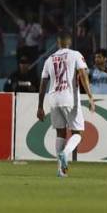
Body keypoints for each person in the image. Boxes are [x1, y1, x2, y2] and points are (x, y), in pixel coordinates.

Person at [37, 30, 97, 178]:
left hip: (53, 99)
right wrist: (90, 97)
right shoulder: (75, 54)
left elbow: (43, 82)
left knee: (60, 132)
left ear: (58, 43)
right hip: (69, 98)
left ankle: (60, 170)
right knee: (78, 133)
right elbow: (83, 74)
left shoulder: (49, 59)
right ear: (69, 42)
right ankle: (65, 153)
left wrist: (40, 106)